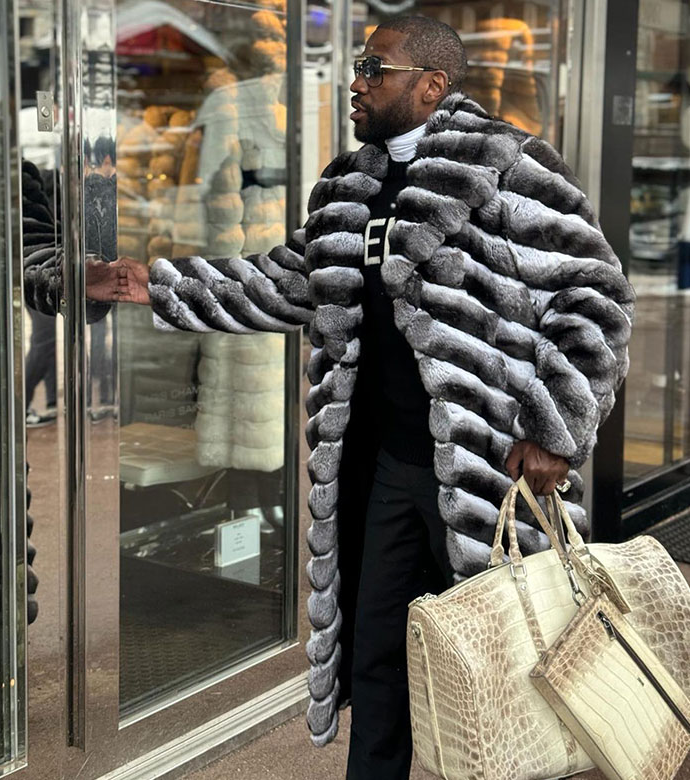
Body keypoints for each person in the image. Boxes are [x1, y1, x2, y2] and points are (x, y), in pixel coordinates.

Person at [115, 16, 634, 780]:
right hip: (389, 466)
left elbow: (595, 299)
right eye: (358, 67)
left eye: (373, 68)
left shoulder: (509, 168)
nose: (355, 83)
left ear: (431, 86)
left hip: (493, 474)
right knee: (377, 655)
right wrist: (152, 285)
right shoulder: (346, 187)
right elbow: (287, 282)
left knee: (507, 663)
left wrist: (554, 430)